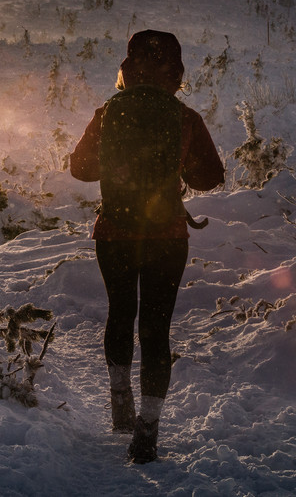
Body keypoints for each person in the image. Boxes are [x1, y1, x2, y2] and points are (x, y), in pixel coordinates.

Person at [69, 29, 225, 463]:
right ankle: (148, 429)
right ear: (175, 72)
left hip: (115, 234)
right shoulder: (185, 118)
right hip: (166, 237)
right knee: (156, 332)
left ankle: (121, 405)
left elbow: (80, 169)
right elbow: (210, 176)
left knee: (120, 314)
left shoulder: (108, 113)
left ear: (128, 67)